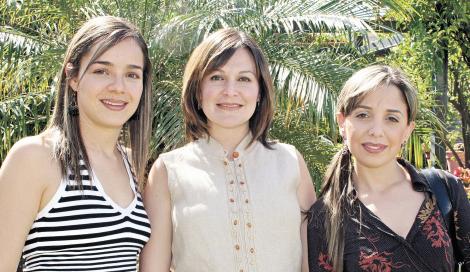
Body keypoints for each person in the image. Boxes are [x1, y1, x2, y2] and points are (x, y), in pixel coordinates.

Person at [140, 28, 316, 272]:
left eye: (244, 79)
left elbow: (314, 259)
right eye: (216, 77)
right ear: (197, 91)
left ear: (259, 92)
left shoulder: (289, 161)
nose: (230, 91)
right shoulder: (168, 170)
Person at [0, 16, 152, 271]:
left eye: (132, 74)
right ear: (73, 78)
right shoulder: (36, 157)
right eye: (101, 71)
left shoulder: (133, 165)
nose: (118, 87)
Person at [307, 65, 470, 271]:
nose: (376, 131)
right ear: (342, 122)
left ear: (407, 130)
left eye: (391, 118)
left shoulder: (444, 189)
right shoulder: (323, 218)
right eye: (363, 115)